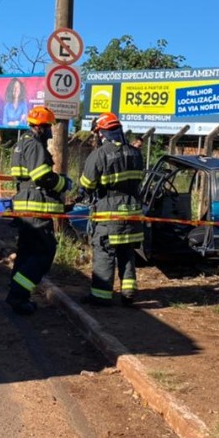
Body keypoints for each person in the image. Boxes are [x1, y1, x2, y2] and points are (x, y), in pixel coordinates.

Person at [6, 106, 72, 315]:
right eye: (49, 127)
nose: (51, 132)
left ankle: (17, 296)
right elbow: (42, 176)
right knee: (44, 252)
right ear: (41, 127)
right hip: (35, 207)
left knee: (26, 252)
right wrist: (63, 184)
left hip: (25, 205)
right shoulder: (34, 145)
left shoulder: (21, 144)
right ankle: (18, 293)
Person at [78, 112, 146, 307]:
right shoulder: (136, 153)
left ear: (102, 133)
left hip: (109, 212)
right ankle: (129, 292)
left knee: (105, 251)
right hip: (133, 211)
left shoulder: (99, 155)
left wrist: (82, 191)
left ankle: (101, 295)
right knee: (127, 252)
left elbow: (87, 184)